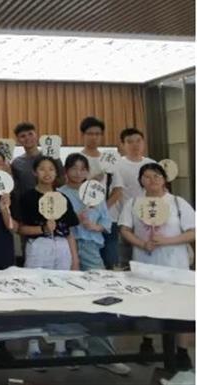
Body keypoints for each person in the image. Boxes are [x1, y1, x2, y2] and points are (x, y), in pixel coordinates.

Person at [58, 153, 131, 376]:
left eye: (83, 168)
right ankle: (75, 347)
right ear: (66, 171)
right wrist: (75, 219)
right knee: (69, 299)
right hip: (66, 249)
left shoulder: (96, 194)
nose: (78, 172)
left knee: (101, 298)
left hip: (91, 249)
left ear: (88, 172)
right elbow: (57, 223)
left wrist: (93, 226)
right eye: (74, 168)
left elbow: (106, 223)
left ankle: (104, 354)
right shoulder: (59, 194)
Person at [120, 163, 195, 370]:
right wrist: (142, 243)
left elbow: (193, 231)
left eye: (156, 176)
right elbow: (125, 229)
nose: (152, 180)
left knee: (180, 307)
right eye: (146, 177)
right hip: (145, 261)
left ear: (164, 179)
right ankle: (147, 343)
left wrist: (167, 241)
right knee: (146, 303)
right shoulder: (134, 203)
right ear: (140, 181)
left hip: (175, 263)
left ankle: (182, 352)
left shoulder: (177, 202)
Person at [15, 155, 80, 363]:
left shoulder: (62, 198)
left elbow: (69, 231)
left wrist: (75, 259)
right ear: (35, 172)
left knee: (61, 294)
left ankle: (60, 344)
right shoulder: (27, 197)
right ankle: (33, 345)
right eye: (42, 169)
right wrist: (42, 228)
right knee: (35, 293)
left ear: (56, 173)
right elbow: (21, 229)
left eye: (51, 169)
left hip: (62, 247)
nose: (47, 173)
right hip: (39, 246)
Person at [79, 117, 124, 269]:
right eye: (90, 133)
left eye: (97, 134)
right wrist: (91, 180)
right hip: (85, 218)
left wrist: (102, 208)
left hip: (108, 218)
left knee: (111, 259)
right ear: (83, 135)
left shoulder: (109, 159)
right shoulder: (78, 159)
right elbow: (73, 187)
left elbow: (118, 190)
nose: (94, 137)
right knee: (88, 262)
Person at [112, 128, 155, 268]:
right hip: (126, 221)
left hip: (151, 219)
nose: (135, 145)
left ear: (144, 142)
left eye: (138, 141)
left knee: (151, 258)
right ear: (122, 145)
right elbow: (116, 193)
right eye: (130, 142)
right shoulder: (117, 165)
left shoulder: (153, 164)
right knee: (127, 260)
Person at [11, 122, 64, 201]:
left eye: (30, 134)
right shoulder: (16, 163)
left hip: (51, 201)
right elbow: (16, 188)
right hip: (27, 202)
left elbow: (62, 180)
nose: (27, 138)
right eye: (23, 136)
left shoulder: (51, 156)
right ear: (18, 140)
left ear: (36, 135)